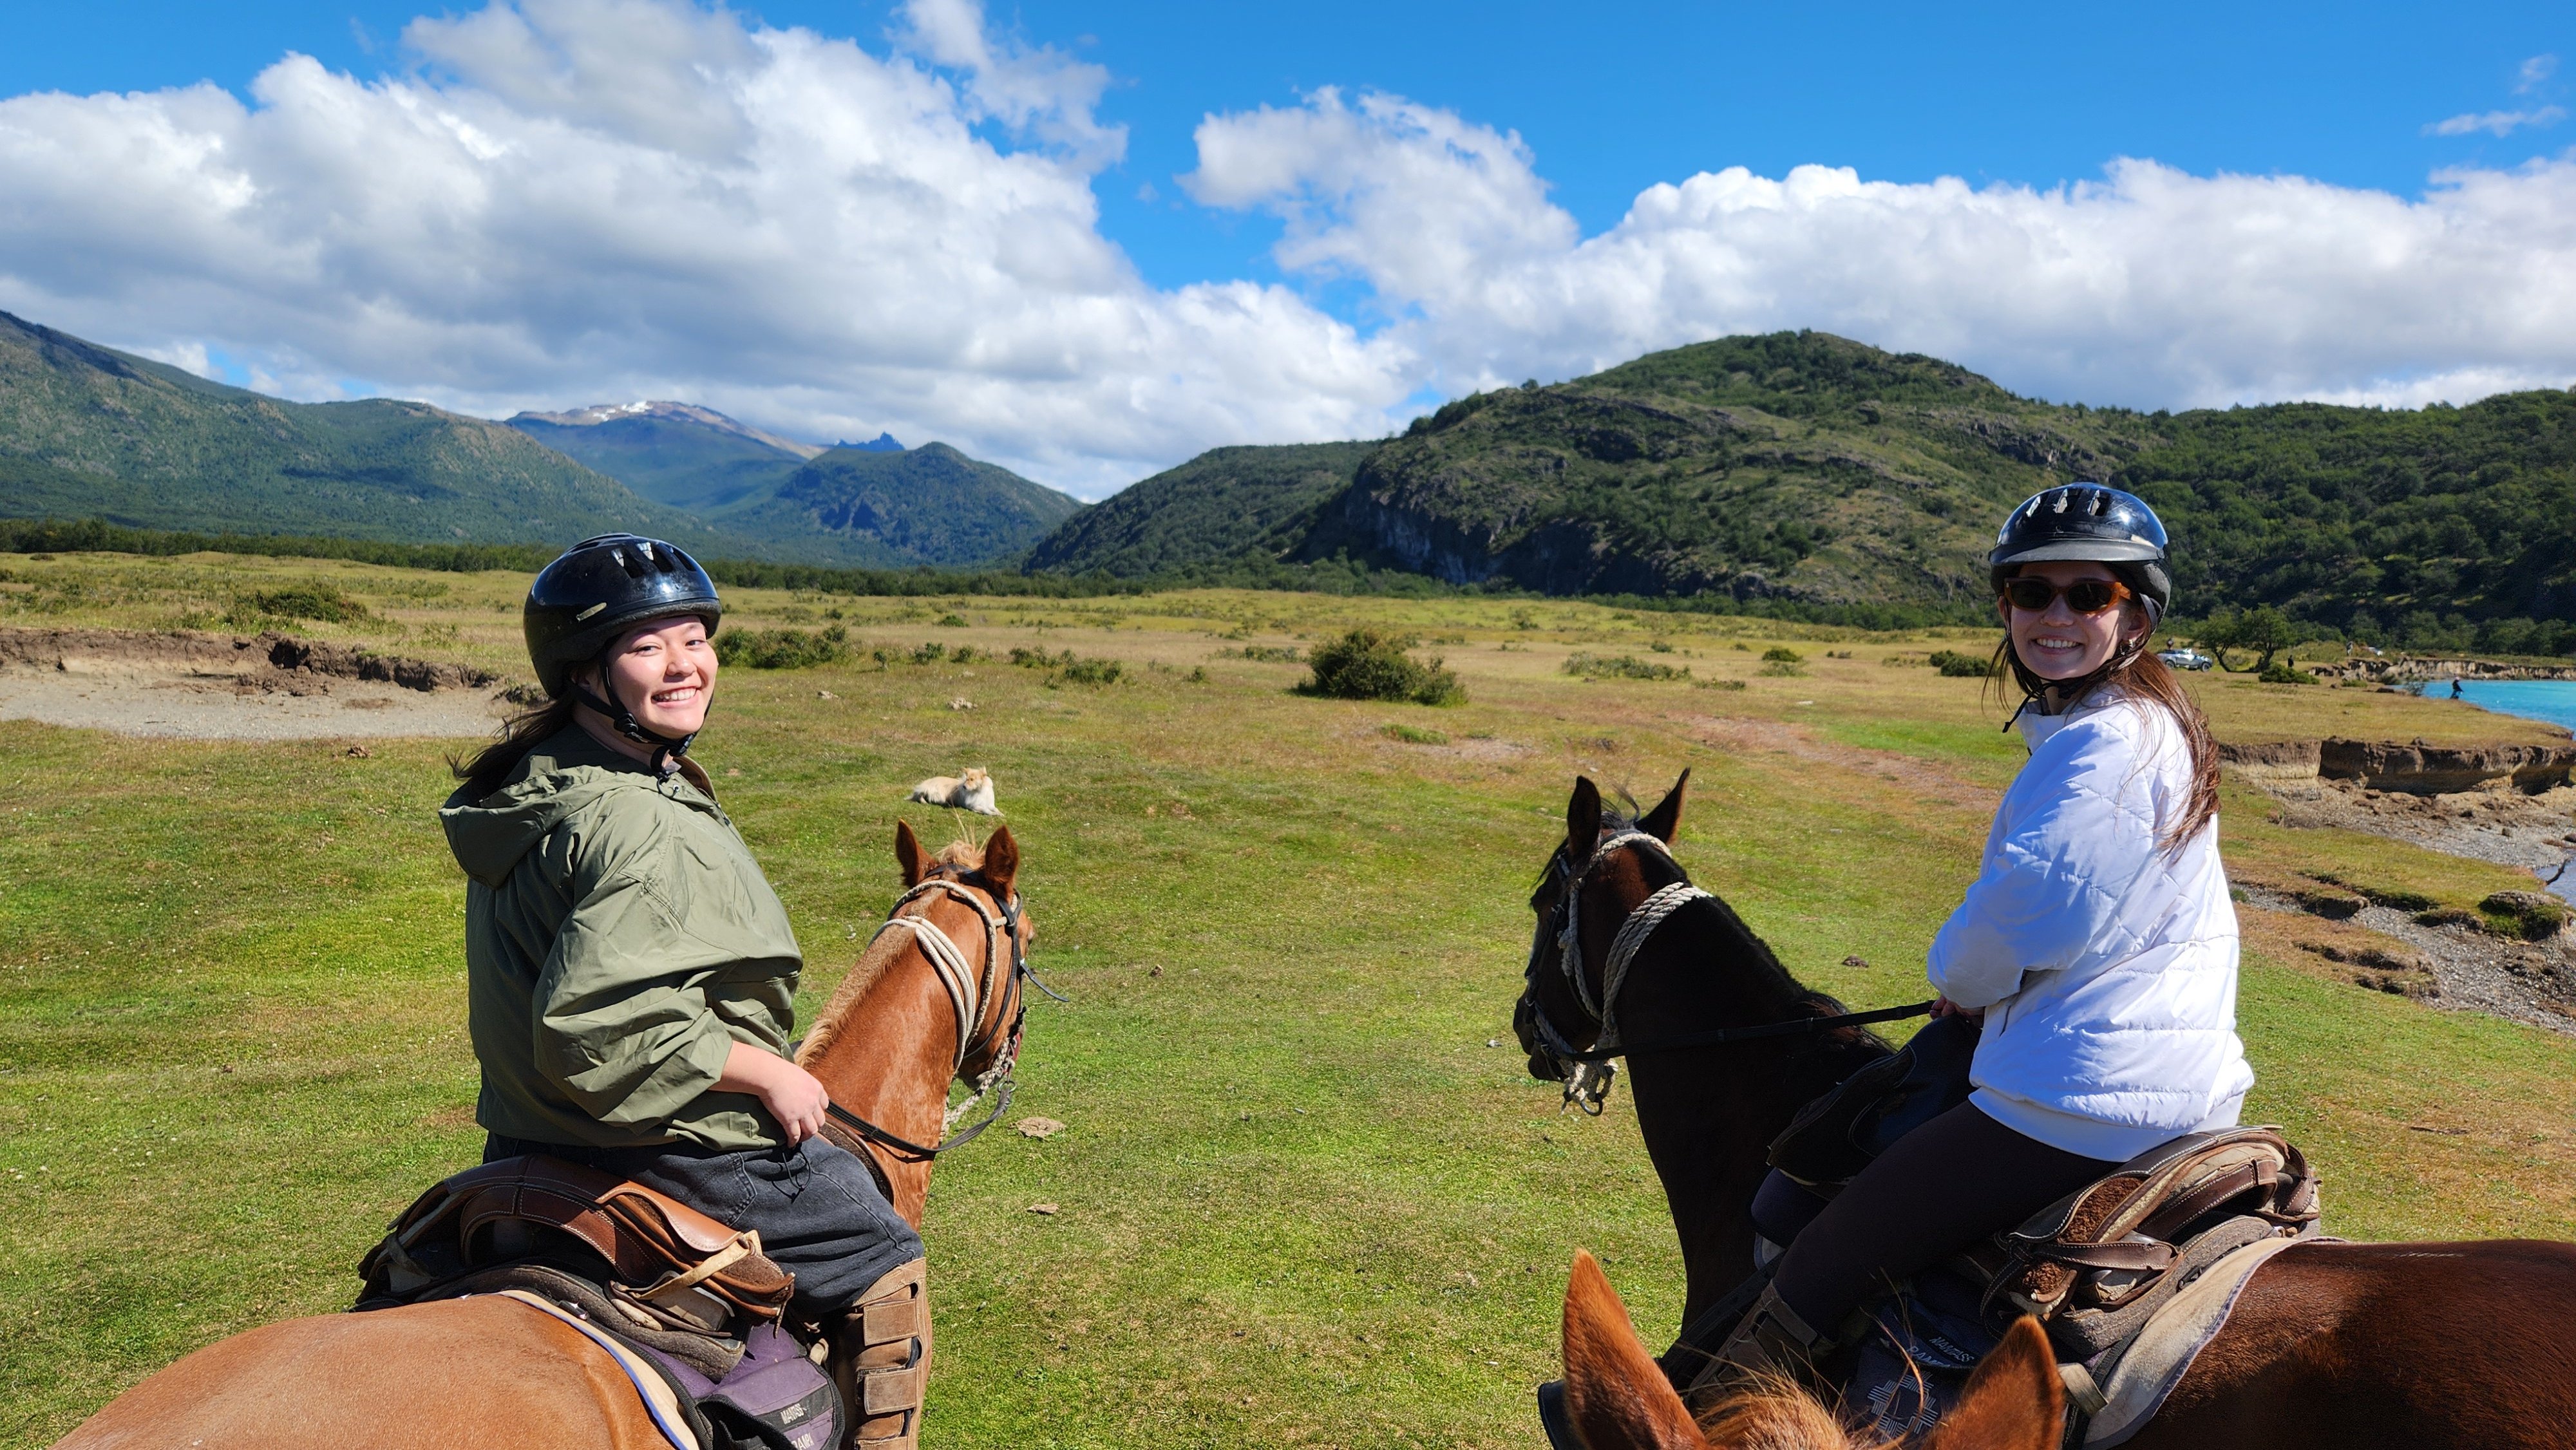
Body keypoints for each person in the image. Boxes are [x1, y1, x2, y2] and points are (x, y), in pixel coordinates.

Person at [1712, 485, 2252, 1380]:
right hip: (2159, 1077)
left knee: (1824, 1256)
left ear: (2136, 613)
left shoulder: (2104, 745)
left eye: (2089, 595)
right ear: (2006, 607)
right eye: (2033, 592)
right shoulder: (2151, 724)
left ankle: (1722, 1416)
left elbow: (2037, 910)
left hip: (2077, 1099)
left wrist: (1957, 978)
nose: (2056, 615)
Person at [441, 534, 929, 1450]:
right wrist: (768, 1071)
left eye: (695, 639)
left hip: (526, 1134)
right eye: (646, 646)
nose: (685, 666)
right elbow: (596, 1032)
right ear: (584, 672)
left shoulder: (543, 782)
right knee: (882, 1249)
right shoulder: (636, 822)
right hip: (667, 1146)